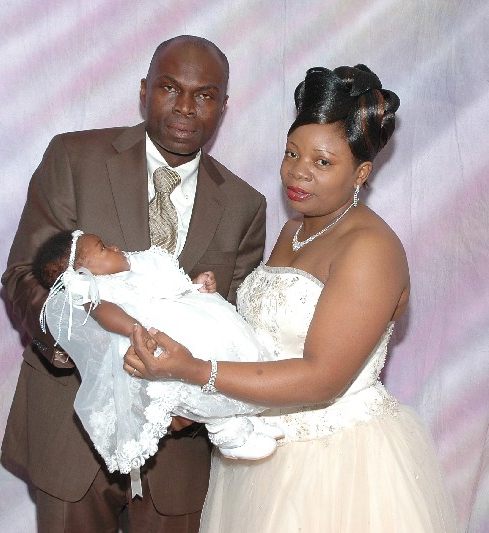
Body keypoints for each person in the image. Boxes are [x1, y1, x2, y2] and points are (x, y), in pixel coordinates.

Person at [125, 64, 459, 532]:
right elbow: (269, 338)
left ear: (361, 171)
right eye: (291, 152)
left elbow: (322, 378)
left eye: (322, 162)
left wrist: (198, 373)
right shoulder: (294, 228)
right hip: (261, 453)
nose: (297, 172)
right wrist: (211, 306)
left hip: (336, 468)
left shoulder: (370, 249)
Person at [1, 35, 266, 532]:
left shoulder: (244, 206)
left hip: (180, 450)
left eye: (205, 95)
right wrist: (88, 352)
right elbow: (25, 276)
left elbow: (234, 319)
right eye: (170, 87)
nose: (185, 107)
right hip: (71, 431)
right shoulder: (73, 157)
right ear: (144, 90)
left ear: (224, 107)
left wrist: (193, 398)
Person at [33, 229, 281, 471]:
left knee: (229, 357)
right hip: (166, 342)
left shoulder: (136, 266)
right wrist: (135, 329)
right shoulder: (91, 290)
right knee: (198, 385)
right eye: (104, 248)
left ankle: (244, 417)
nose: (115, 247)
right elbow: (107, 313)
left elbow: (168, 286)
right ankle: (228, 432)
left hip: (196, 322)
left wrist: (194, 286)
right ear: (80, 273)